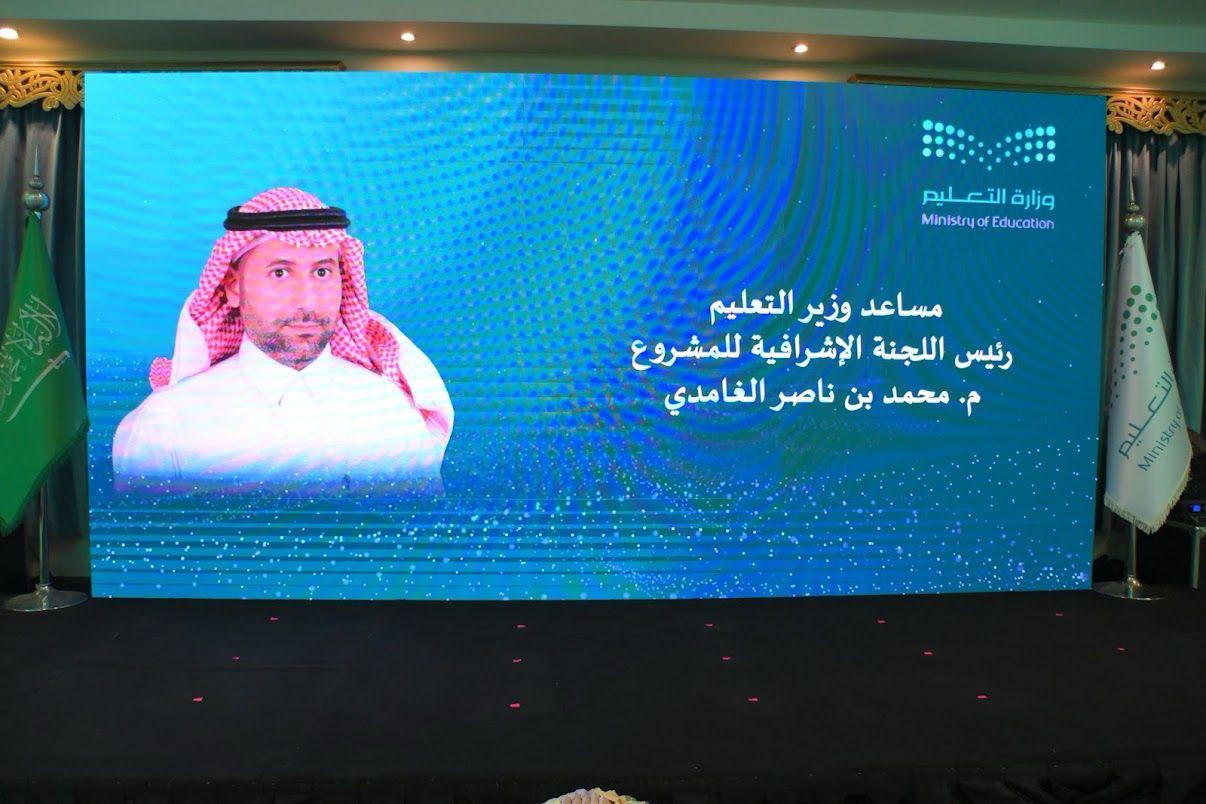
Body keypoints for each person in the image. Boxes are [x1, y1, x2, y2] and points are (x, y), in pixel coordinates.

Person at [112, 187, 453, 493]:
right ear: (233, 287)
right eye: (280, 273)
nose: (306, 300)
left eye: (322, 272)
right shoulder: (166, 424)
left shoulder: (391, 413)